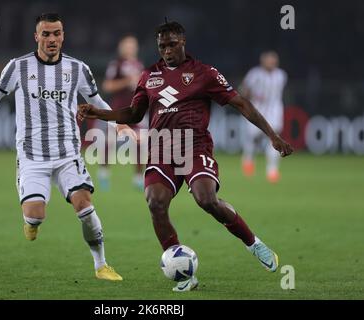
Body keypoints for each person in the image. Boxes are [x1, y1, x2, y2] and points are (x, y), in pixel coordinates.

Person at [78, 21, 293, 291]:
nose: (166, 51)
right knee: (155, 203)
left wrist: (273, 136)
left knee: (207, 200)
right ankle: (183, 273)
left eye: (171, 45)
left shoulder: (205, 73)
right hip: (161, 149)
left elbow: (241, 104)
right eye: (161, 46)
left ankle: (254, 243)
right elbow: (133, 114)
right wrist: (100, 113)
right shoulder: (149, 76)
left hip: (195, 147)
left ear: (183, 42)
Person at [0, 13, 134, 281]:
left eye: (57, 33)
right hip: (32, 156)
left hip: (67, 154)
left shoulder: (78, 69)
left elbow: (96, 99)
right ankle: (31, 223)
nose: (52, 39)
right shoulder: (18, 67)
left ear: (63, 36)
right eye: (46, 34)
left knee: (84, 206)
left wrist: (118, 123)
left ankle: (101, 265)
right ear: (36, 37)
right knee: (36, 215)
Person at [98, 35, 145, 190]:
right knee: (110, 142)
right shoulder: (116, 65)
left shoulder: (139, 65)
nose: (130, 48)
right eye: (127, 45)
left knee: (140, 142)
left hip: (135, 110)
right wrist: (127, 81)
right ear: (121, 47)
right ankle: (103, 174)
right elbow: (107, 86)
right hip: (119, 109)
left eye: (133, 45)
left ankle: (138, 178)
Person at [240, 51, 288, 183]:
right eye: (269, 60)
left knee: (274, 138)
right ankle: (248, 160)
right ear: (263, 61)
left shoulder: (281, 75)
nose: (272, 63)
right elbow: (244, 88)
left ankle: (272, 170)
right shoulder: (254, 74)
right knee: (253, 137)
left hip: (274, 111)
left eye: (274, 60)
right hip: (257, 110)